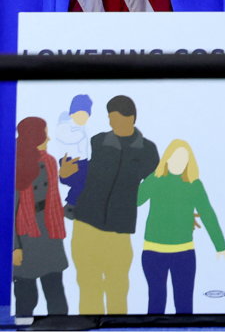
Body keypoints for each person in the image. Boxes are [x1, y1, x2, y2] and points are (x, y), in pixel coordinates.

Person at [60, 94, 159, 315]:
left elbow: (150, 183)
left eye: (117, 118)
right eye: (110, 118)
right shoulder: (97, 141)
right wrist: (65, 175)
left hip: (118, 229)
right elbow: (84, 173)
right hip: (86, 224)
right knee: (88, 285)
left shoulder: (148, 150)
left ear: (131, 117)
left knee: (117, 287)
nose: (112, 123)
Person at [138, 139, 225, 314]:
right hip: (153, 252)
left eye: (183, 158)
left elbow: (207, 214)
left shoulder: (194, 184)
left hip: (184, 253)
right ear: (167, 158)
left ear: (189, 162)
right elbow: (135, 201)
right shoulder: (155, 179)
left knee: (184, 304)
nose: (179, 162)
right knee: (156, 302)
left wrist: (220, 246)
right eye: (175, 157)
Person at [12, 117, 69, 318]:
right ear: (35, 136)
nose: (49, 138)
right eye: (45, 133)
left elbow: (52, 199)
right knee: (26, 295)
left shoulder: (50, 161)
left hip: (48, 232)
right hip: (26, 236)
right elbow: (10, 211)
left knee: (56, 292)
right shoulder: (15, 165)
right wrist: (15, 247)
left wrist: (69, 210)